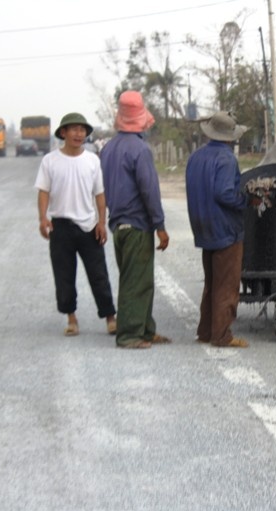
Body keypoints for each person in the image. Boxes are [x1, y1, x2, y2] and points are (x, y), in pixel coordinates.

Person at [35, 112, 117, 337]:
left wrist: (101, 222)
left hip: (89, 226)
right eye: (74, 129)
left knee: (99, 275)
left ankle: (110, 317)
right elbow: (43, 191)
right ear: (63, 132)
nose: (79, 134)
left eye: (82, 130)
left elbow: (99, 194)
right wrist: (43, 218)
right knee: (64, 276)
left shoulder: (92, 161)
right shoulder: (50, 161)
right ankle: (71, 318)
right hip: (60, 226)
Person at [100, 91, 170, 350]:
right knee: (136, 283)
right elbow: (149, 190)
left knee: (140, 279)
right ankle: (129, 334)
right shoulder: (140, 149)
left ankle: (146, 330)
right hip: (137, 225)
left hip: (118, 224)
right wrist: (160, 226)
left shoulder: (108, 149)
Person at [185, 111, 251, 348]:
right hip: (225, 228)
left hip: (203, 227)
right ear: (231, 137)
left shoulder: (196, 157)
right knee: (227, 285)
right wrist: (246, 201)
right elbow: (224, 193)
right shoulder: (226, 158)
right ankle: (222, 335)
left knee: (212, 282)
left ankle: (206, 331)